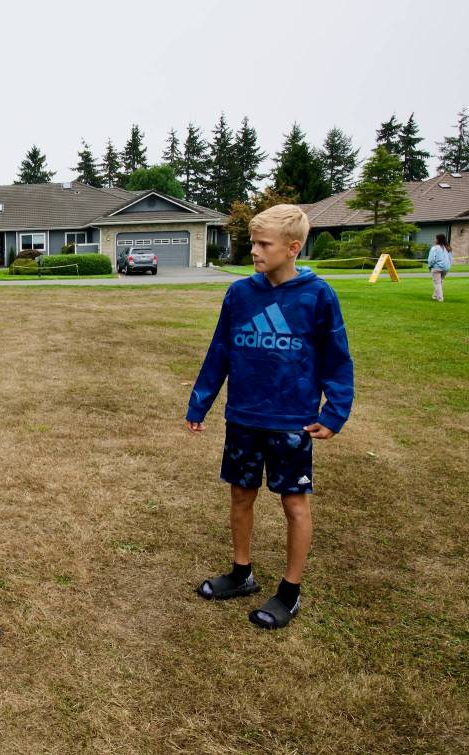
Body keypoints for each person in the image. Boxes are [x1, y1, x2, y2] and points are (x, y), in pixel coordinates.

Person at [185, 204, 354, 630]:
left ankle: (289, 592)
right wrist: (199, 402)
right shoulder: (240, 294)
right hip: (244, 416)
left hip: (291, 422)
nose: (255, 251)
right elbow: (219, 350)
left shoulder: (317, 296)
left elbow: (337, 359)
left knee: (293, 503)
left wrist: (334, 413)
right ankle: (241, 573)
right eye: (253, 243)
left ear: (292, 248)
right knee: (241, 495)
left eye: (264, 244)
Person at [427, 233, 452, 302]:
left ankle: (440, 298)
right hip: (446, 268)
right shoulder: (448, 248)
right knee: (440, 282)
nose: (434, 240)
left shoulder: (434, 248)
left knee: (437, 283)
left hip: (437, 267)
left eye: (435, 238)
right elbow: (450, 259)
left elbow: (431, 259)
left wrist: (430, 266)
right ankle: (435, 296)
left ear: (438, 240)